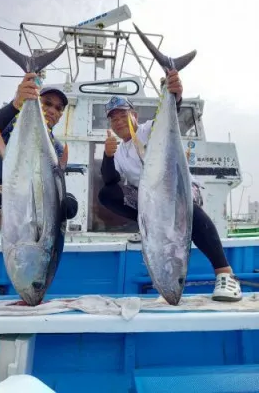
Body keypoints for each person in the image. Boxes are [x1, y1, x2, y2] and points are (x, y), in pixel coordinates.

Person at [98, 70, 242, 302]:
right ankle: (150, 225)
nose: (118, 121)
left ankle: (225, 274)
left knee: (187, 212)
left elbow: (171, 113)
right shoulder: (119, 151)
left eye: (122, 115)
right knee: (106, 194)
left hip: (179, 191)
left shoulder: (149, 130)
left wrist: (174, 96)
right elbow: (110, 182)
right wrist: (106, 155)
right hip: (149, 202)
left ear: (134, 115)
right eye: (113, 118)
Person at [0, 73, 78, 261]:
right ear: (36, 101)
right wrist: (17, 103)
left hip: (30, 202)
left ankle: (46, 259)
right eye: (47, 103)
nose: (53, 110)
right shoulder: (12, 125)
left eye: (59, 108)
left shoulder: (56, 147)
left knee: (70, 205)